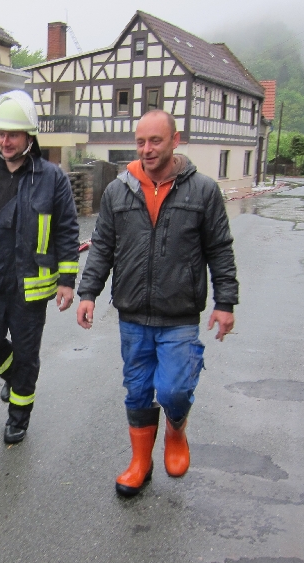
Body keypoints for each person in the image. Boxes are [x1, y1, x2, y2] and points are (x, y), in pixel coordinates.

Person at [76, 109, 238, 497]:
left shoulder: (203, 190)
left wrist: (225, 301)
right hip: (133, 313)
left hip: (179, 314)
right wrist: (88, 292)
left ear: (174, 140)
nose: (146, 149)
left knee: (174, 391)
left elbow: (219, 249)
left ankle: (176, 430)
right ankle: (140, 462)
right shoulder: (118, 190)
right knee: (136, 390)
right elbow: (102, 247)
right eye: (140, 141)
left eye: (155, 141)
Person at [0, 90, 80, 444]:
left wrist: (67, 280)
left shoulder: (52, 178)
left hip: (31, 284)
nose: (5, 141)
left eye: (13, 134)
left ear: (29, 137)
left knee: (27, 352)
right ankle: (15, 377)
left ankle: (19, 415)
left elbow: (68, 230)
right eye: (1, 133)